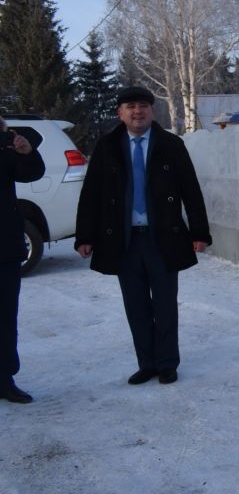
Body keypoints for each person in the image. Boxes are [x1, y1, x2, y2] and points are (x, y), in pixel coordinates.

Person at [75, 87, 211, 386]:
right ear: (120, 113)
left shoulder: (170, 145)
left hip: (162, 237)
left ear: (152, 111)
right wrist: (85, 235)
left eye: (143, 106)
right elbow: (91, 194)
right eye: (130, 106)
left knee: (164, 304)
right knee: (135, 305)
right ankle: (146, 363)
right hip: (124, 240)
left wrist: (199, 232)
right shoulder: (107, 146)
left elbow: (191, 189)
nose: (138, 111)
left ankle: (167, 363)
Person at [0, 117, 45, 404]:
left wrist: (26, 151)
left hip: (3, 248)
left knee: (4, 318)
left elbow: (30, 173)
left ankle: (4, 378)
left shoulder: (6, 146)